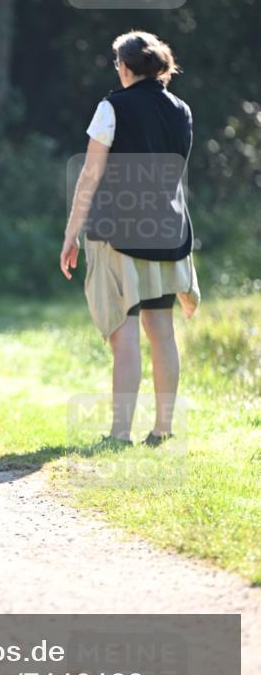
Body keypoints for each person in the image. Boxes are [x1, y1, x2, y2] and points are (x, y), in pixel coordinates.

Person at [60, 30, 200, 445]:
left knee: (125, 334)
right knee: (163, 333)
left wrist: (71, 234)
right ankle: (163, 429)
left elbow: (91, 174)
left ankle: (120, 434)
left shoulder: (111, 107)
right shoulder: (182, 109)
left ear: (124, 67)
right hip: (167, 231)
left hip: (117, 234)